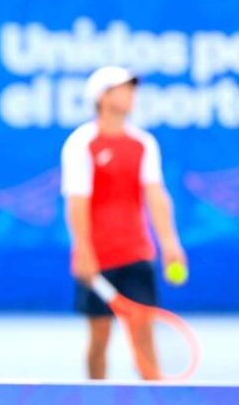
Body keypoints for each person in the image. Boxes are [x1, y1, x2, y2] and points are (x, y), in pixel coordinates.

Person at [61, 66, 187, 380]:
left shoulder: (144, 143)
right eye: (123, 88)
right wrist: (84, 252)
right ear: (103, 98)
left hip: (137, 255)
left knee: (143, 337)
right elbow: (77, 203)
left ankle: (156, 399)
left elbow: (156, 196)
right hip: (98, 258)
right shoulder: (81, 144)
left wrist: (170, 243)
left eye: (132, 88)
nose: (131, 94)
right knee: (99, 338)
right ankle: (94, 399)